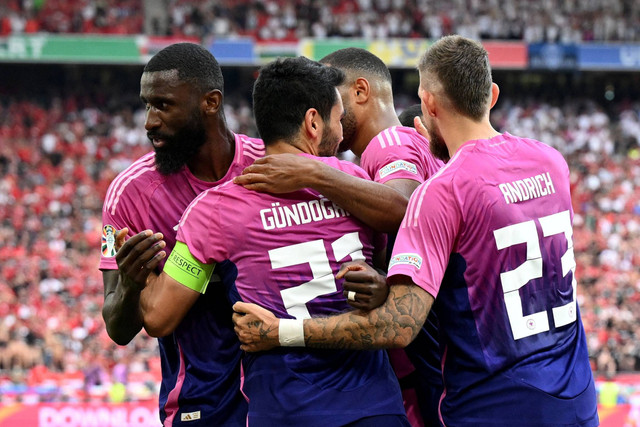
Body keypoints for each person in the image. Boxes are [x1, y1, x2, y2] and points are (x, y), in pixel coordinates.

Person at [232, 35, 600, 427]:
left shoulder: (428, 179)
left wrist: (281, 332)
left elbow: (398, 322)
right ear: (491, 95)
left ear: (426, 104)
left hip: (492, 405)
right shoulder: (551, 162)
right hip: (575, 398)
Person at [117, 56, 409, 426]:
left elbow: (158, 317)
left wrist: (139, 275)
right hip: (373, 405)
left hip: (286, 410)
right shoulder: (353, 185)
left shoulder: (214, 210)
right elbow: (396, 231)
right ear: (313, 123)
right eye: (338, 119)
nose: (341, 132)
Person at [236, 47, 445, 427]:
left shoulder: (388, 145)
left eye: (332, 92)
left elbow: (405, 207)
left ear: (361, 92)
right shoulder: (413, 143)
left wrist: (309, 172)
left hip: (426, 363)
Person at [100, 42, 265, 426]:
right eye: (146, 105)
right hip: (199, 403)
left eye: (163, 105)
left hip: (283, 391)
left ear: (211, 102)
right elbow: (117, 329)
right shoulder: (129, 195)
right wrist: (129, 283)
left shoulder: (270, 166)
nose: (149, 122)